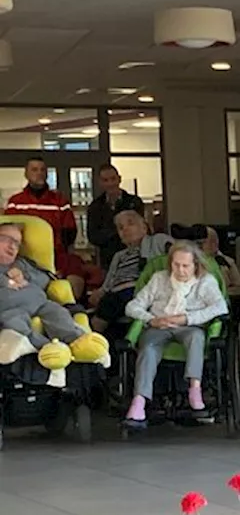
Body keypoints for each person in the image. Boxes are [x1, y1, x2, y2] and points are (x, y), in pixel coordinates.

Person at [121, 241, 228, 429]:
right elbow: (132, 306)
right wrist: (151, 319)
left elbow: (220, 307)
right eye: (176, 264)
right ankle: (139, 402)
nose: (180, 270)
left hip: (189, 326)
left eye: (186, 265)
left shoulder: (206, 281)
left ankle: (195, 390)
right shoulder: (159, 278)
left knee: (196, 338)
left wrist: (187, 318)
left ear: (195, 265)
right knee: (147, 349)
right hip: (158, 325)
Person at [0, 222, 108, 369]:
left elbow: (45, 279)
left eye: (17, 243)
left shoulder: (22, 263)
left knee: (58, 313)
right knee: (15, 325)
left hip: (40, 303)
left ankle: (79, 343)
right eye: (7, 239)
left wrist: (23, 273)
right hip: (10, 308)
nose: (13, 247)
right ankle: (46, 348)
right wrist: (5, 280)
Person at [5, 157, 86, 299]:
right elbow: (8, 231)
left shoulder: (59, 201)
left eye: (43, 170)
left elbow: (70, 231)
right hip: (25, 257)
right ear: (26, 174)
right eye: (34, 170)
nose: (39, 173)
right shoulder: (16, 202)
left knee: (75, 266)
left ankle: (73, 308)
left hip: (56, 255)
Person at [91, 211, 172, 334]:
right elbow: (108, 283)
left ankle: (93, 338)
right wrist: (99, 292)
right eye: (121, 228)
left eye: (130, 223)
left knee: (102, 316)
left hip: (139, 289)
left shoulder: (157, 241)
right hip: (116, 294)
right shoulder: (119, 256)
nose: (125, 229)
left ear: (144, 227)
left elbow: (178, 253)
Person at [86, 163, 144, 267]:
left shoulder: (134, 202)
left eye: (113, 179)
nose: (110, 183)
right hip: (108, 260)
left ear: (119, 179)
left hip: (135, 256)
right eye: (105, 180)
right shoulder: (95, 207)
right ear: (100, 183)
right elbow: (93, 237)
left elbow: (141, 230)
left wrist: (109, 232)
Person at [202, 226, 240, 297]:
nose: (214, 243)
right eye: (209, 241)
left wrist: (221, 292)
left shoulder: (227, 262)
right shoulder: (188, 262)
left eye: (215, 240)